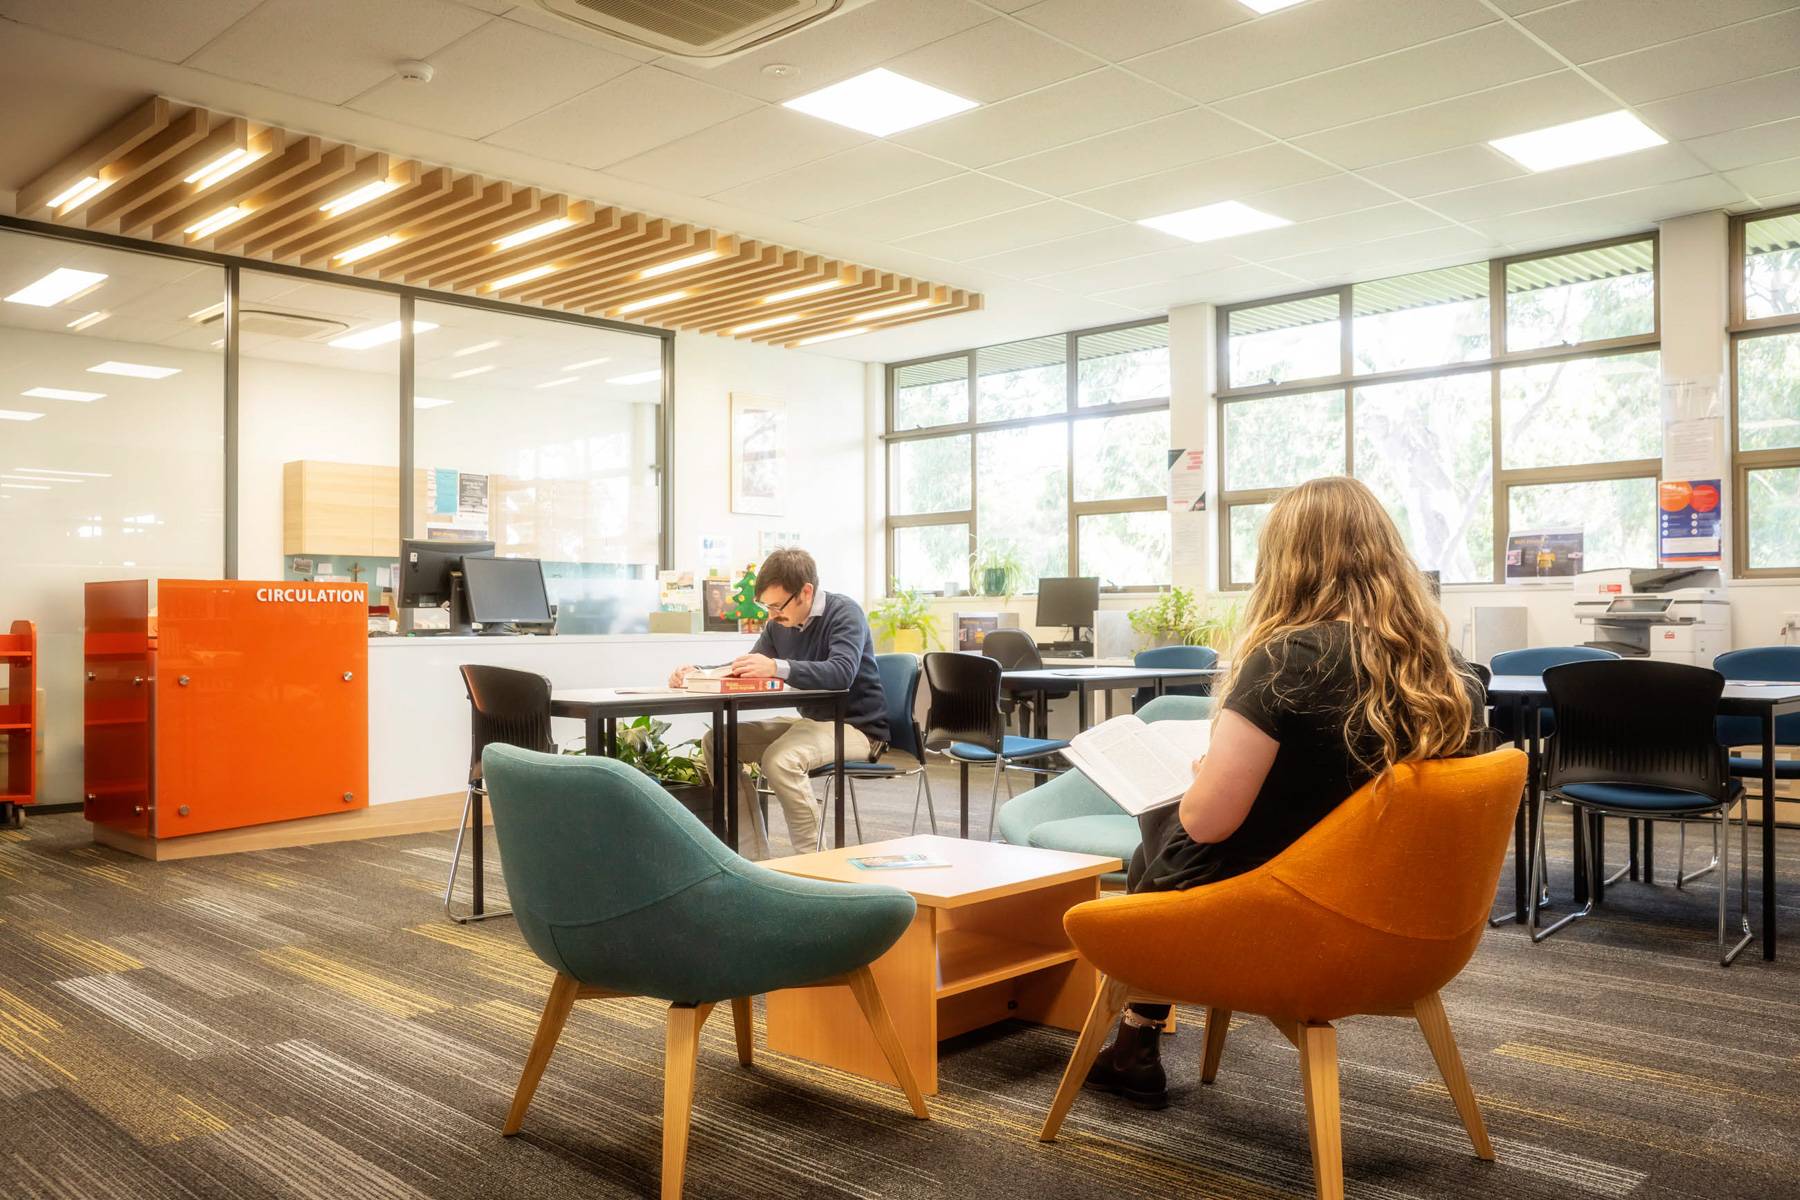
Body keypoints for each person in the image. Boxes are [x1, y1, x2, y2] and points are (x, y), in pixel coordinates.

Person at [1084, 476, 1488, 1109]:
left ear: (1286, 565)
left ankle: (1136, 1040)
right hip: (1405, 922)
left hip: (1292, 917)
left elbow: (1211, 824)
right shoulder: (1450, 671)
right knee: (1175, 835)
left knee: (1167, 825)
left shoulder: (1288, 661)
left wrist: (1202, 780)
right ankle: (1135, 1043)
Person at [670, 548, 889, 858]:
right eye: (766, 607)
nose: (771, 616)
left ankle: (815, 866)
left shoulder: (845, 613)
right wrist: (699, 673)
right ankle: (753, 860)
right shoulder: (778, 625)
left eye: (776, 606)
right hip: (811, 725)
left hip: (857, 729)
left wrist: (777, 667)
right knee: (717, 742)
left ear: (806, 592)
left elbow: (842, 673)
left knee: (780, 759)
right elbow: (748, 666)